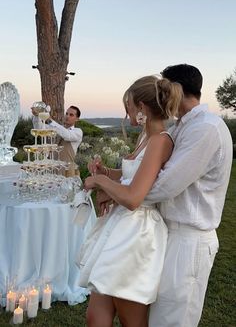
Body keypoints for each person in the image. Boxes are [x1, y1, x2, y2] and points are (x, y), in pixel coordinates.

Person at [97, 64, 233, 327]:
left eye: (165, 87)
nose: (162, 93)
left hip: (189, 240)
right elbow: (152, 176)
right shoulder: (184, 126)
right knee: (160, 318)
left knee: (173, 321)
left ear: (177, 90)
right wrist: (117, 181)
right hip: (171, 235)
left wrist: (118, 194)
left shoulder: (206, 128)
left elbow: (164, 186)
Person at [79, 75, 183, 327]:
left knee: (130, 319)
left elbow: (135, 197)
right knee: (95, 317)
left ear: (142, 108)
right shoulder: (144, 138)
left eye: (129, 105)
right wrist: (106, 173)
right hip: (120, 227)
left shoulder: (161, 141)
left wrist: (100, 183)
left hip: (137, 235)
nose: (127, 111)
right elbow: (131, 176)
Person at [31, 105, 83, 176]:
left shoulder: (78, 132)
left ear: (77, 119)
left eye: (71, 115)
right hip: (52, 170)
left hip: (67, 171)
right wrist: (36, 116)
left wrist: (50, 121)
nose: (67, 116)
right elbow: (39, 128)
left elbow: (67, 135)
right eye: (66, 114)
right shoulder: (58, 128)